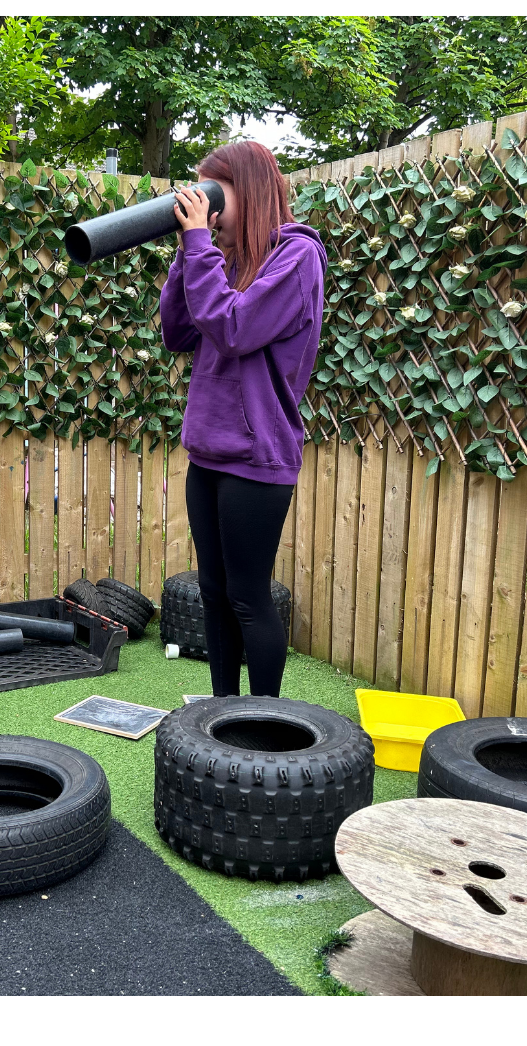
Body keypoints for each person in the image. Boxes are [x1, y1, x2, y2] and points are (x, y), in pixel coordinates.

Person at [159, 140, 327, 698]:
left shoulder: (296, 258)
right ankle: (222, 714)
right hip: (209, 449)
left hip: (259, 455)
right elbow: (180, 332)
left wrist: (200, 245)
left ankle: (265, 719)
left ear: (248, 192)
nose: (206, 212)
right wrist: (190, 251)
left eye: (215, 198)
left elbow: (233, 328)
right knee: (212, 589)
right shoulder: (224, 259)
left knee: (247, 596)